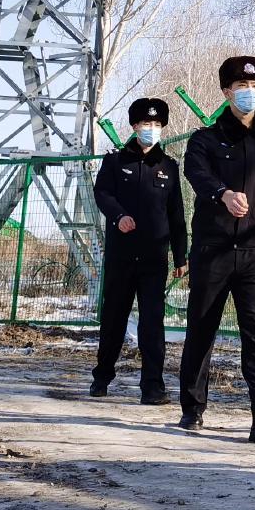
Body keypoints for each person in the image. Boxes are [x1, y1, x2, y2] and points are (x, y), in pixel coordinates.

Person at [177, 55, 255, 442]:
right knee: (202, 328)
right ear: (227, 92)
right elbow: (196, 173)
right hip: (212, 250)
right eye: (242, 86)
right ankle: (192, 407)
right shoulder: (205, 140)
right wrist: (223, 194)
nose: (249, 92)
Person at [90, 97, 187, 404]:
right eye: (146, 123)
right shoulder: (115, 162)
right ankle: (102, 376)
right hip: (121, 256)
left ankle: (153, 387)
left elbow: (176, 214)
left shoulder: (168, 167)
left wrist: (181, 256)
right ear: (134, 126)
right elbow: (102, 193)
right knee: (114, 318)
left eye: (157, 124)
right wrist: (118, 216)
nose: (151, 129)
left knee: (152, 323)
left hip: (154, 258)